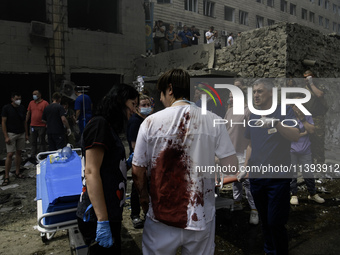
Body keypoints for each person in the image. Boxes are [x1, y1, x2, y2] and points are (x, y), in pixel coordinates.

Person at [132, 69, 238, 255]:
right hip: (201, 215)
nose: (161, 99)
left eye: (161, 93)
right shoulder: (214, 121)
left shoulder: (150, 123)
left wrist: (143, 198)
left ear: (170, 89)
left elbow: (138, 170)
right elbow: (231, 166)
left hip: (161, 217)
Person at [76, 84, 139, 255]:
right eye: (133, 104)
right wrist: (103, 221)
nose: (135, 110)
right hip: (98, 215)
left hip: (109, 211)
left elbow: (106, 167)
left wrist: (125, 164)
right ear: (120, 101)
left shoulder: (108, 127)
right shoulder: (99, 125)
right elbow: (91, 172)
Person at [244, 79, 300, 255]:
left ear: (271, 93)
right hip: (256, 178)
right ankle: (269, 252)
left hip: (277, 179)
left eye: (260, 91)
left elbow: (296, 135)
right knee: (265, 222)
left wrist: (276, 123)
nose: (256, 95)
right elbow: (250, 145)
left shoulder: (284, 111)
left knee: (276, 222)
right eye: (254, 92)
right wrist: (245, 167)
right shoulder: (252, 114)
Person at [225, 91, 259, 225]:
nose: (230, 99)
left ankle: (254, 210)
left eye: (232, 97)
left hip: (245, 151)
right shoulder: (229, 111)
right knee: (235, 180)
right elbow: (227, 129)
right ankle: (237, 202)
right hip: (231, 151)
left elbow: (254, 132)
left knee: (248, 182)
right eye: (229, 97)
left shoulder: (249, 111)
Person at [289, 101, 325, 205]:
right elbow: (290, 134)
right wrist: (303, 133)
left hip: (305, 150)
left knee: (308, 173)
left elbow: (312, 130)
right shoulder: (288, 117)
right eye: (295, 106)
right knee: (293, 173)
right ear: (292, 107)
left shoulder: (307, 116)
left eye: (300, 106)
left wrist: (302, 119)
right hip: (292, 150)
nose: (298, 108)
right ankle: (294, 194)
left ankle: (312, 194)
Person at [126, 94, 153, 229]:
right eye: (143, 105)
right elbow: (134, 146)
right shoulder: (135, 122)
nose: (147, 107)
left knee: (147, 187)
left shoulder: (148, 120)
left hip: (148, 159)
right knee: (138, 187)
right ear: (137, 108)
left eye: (148, 105)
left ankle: (147, 213)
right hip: (139, 159)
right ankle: (135, 215)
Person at [1, 92, 28, 186]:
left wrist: (26, 134)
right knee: (10, 154)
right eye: (16, 98)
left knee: (19, 152)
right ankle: (6, 176)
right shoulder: (6, 108)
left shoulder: (22, 108)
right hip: (11, 133)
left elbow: (24, 121)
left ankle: (17, 172)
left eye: (19, 98)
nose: (18, 100)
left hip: (21, 132)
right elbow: (3, 122)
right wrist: (6, 136)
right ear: (12, 99)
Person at [303, 70, 327, 165]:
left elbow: (319, 94)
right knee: (309, 141)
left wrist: (311, 84)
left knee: (319, 141)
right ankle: (311, 163)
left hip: (317, 118)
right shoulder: (304, 89)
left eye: (308, 77)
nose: (306, 79)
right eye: (305, 77)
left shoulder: (319, 86)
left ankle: (320, 163)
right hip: (307, 118)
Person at [26, 90, 49, 161]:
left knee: (42, 141)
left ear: (40, 95)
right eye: (33, 94)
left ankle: (42, 155)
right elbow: (29, 112)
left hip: (42, 125)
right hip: (33, 125)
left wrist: (47, 123)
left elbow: (48, 114)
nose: (34, 96)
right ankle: (33, 155)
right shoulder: (31, 103)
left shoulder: (45, 103)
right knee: (33, 141)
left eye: (35, 94)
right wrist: (25, 121)